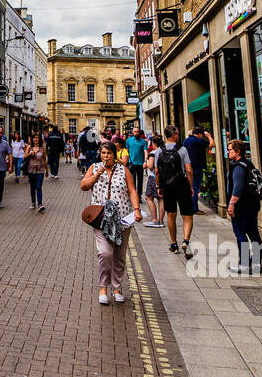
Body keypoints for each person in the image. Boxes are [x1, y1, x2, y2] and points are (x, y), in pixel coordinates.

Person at [81, 142, 142, 305]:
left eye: (108, 153)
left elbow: (132, 190)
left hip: (122, 219)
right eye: (103, 153)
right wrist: (96, 175)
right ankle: (103, 288)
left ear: (114, 155)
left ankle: (116, 288)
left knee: (119, 256)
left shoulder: (124, 170)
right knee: (105, 253)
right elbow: (83, 186)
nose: (105, 156)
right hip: (101, 219)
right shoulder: (94, 168)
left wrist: (136, 209)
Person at [226, 138, 262, 274]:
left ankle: (244, 264)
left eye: (230, 149)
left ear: (238, 151)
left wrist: (231, 204)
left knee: (241, 234)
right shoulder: (248, 164)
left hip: (241, 206)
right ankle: (257, 264)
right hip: (252, 205)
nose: (228, 152)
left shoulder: (238, 167)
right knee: (254, 234)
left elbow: (238, 187)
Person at [157, 125, 196, 256]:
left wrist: (159, 186)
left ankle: (174, 244)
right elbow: (189, 170)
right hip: (182, 184)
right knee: (187, 215)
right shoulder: (182, 149)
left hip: (167, 186)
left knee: (171, 214)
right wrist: (190, 186)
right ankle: (185, 240)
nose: (179, 136)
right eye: (178, 134)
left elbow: (157, 172)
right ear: (173, 135)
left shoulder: (159, 151)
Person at [183, 124, 214, 210]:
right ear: (200, 134)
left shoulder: (186, 141)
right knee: (195, 188)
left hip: (188, 167)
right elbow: (212, 145)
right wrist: (209, 136)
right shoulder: (199, 141)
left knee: (190, 187)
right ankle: (194, 209)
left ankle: (190, 207)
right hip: (197, 167)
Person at [25, 133, 48, 212]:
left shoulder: (42, 148)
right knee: (32, 187)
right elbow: (24, 157)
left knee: (38, 187)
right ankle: (33, 202)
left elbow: (44, 160)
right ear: (32, 139)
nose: (35, 139)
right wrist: (29, 154)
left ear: (39, 139)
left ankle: (40, 204)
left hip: (40, 170)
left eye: (37, 138)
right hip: (31, 170)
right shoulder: (29, 147)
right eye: (34, 138)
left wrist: (47, 170)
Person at [126, 127, 148, 198]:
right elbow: (126, 150)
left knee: (140, 180)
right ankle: (134, 194)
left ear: (139, 132)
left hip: (140, 163)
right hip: (131, 163)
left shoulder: (143, 141)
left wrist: (145, 161)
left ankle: (139, 195)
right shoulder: (129, 140)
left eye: (137, 132)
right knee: (132, 180)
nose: (136, 133)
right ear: (132, 132)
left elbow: (145, 151)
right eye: (135, 132)